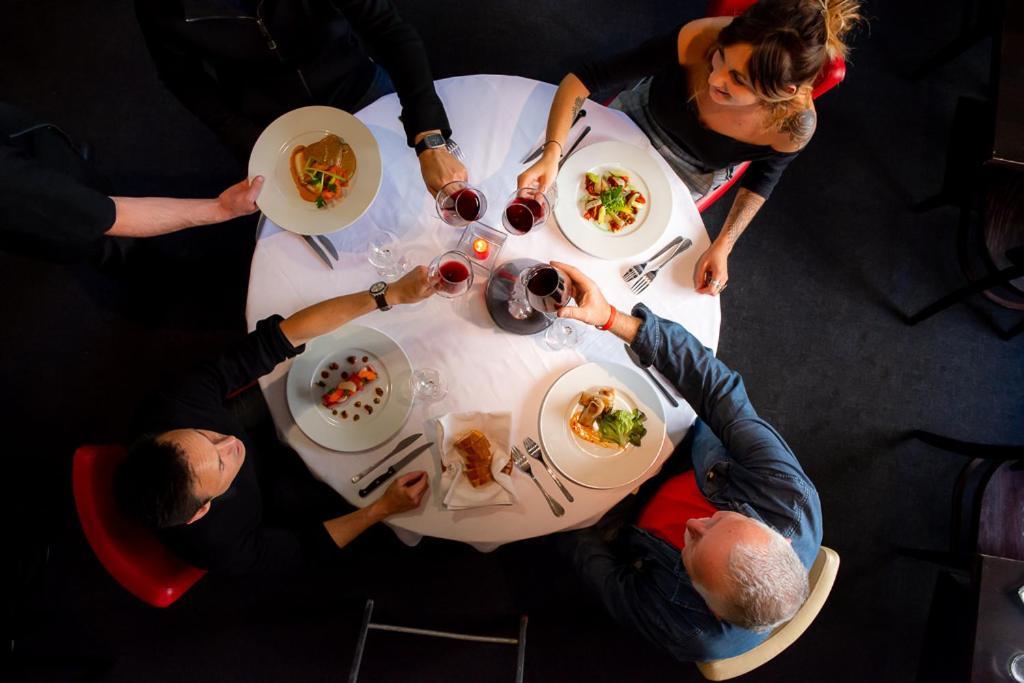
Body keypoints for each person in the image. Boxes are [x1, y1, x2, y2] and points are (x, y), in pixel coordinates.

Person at [550, 261, 822, 662]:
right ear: (773, 534)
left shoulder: (687, 629)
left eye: (693, 545)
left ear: (708, 604)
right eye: (720, 519)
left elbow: (598, 567)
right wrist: (609, 318)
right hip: (688, 450)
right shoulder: (789, 495)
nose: (693, 523)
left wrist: (559, 507)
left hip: (619, 517)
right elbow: (718, 391)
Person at [519, 0, 862, 296]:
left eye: (737, 80)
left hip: (693, 173)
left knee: (611, 264)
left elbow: (762, 179)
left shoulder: (794, 126)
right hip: (637, 117)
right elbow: (587, 77)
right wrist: (552, 151)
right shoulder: (700, 37)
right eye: (720, 58)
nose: (715, 79)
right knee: (549, 205)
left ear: (783, 93)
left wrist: (724, 245)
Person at [114, 267, 434, 575]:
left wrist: (390, 294)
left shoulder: (172, 404)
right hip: (268, 498)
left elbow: (278, 338)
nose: (229, 442)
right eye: (220, 463)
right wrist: (382, 509)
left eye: (204, 434)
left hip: (235, 431)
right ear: (201, 511)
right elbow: (303, 549)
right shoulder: (220, 546)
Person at [135, 0, 467, 195]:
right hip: (270, 122)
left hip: (357, 85)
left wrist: (429, 137)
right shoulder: (160, 7)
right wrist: (252, 143)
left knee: (412, 192)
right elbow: (184, 80)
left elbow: (390, 30)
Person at [0, 103, 262, 263]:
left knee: (78, 173)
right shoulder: (14, 185)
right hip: (47, 213)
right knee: (102, 244)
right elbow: (107, 214)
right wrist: (220, 209)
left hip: (27, 145)